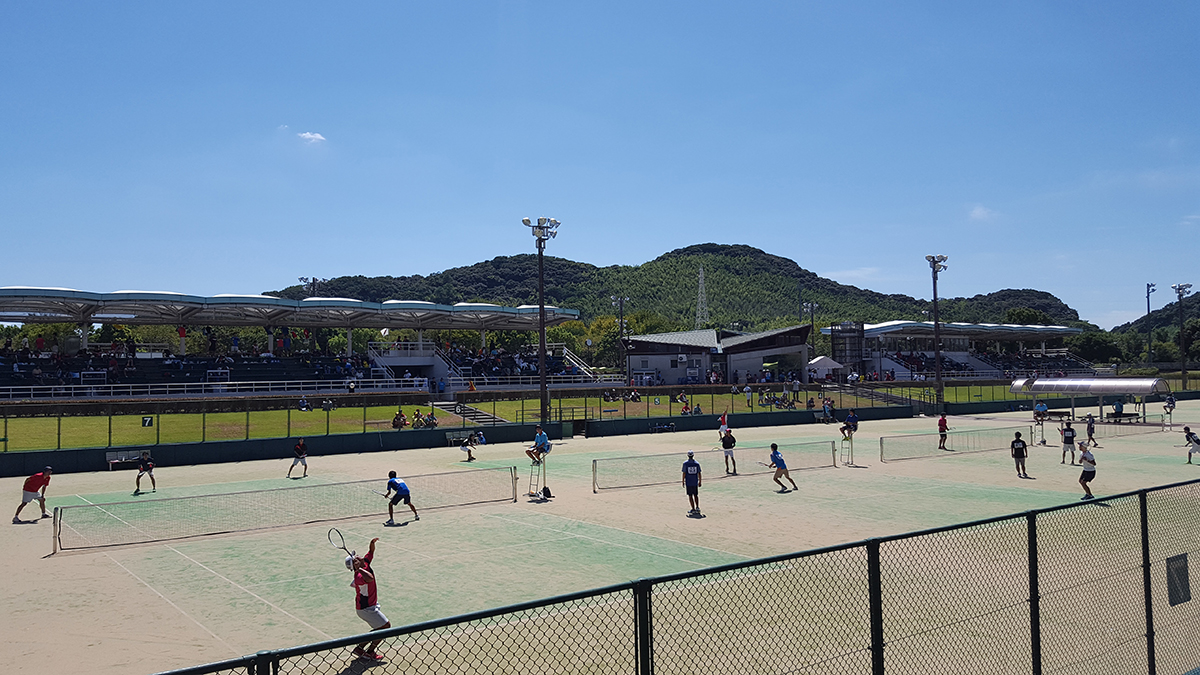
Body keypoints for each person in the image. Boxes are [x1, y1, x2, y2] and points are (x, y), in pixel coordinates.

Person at [348, 537, 389, 660]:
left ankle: (360, 649)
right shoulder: (359, 576)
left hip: (369, 606)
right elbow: (370, 578)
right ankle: (369, 651)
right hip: (365, 609)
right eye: (356, 558)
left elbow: (371, 552)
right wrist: (358, 568)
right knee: (386, 627)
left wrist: (372, 543)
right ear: (355, 565)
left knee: (380, 628)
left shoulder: (365, 563)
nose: (359, 556)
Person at [682, 451, 702, 516]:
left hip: (689, 482)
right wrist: (700, 481)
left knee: (690, 496)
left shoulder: (685, 464)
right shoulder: (697, 463)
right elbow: (699, 473)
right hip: (695, 482)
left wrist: (683, 481)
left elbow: (684, 473)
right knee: (696, 495)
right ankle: (697, 507)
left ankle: (693, 508)